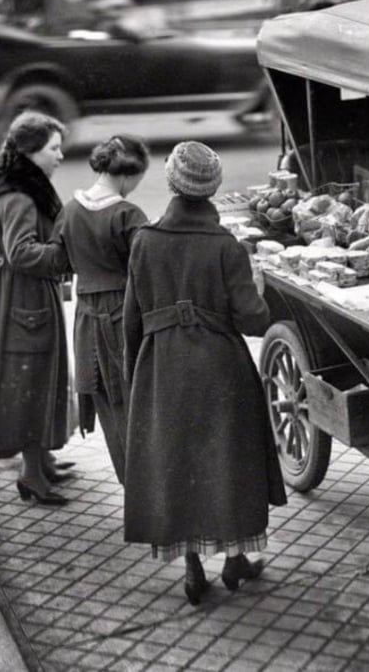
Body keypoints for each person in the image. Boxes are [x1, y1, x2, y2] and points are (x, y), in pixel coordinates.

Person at [122, 141, 287, 604]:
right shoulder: (226, 247)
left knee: (180, 466)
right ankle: (236, 559)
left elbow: (131, 320)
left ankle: (193, 567)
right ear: (211, 190)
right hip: (221, 368)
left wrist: (137, 375)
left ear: (172, 183)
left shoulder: (144, 241)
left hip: (162, 367)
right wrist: (258, 285)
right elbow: (253, 320)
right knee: (229, 462)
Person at [0, 111, 72, 506]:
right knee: (30, 381)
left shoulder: (22, 185)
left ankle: (40, 458)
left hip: (22, 297)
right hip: (23, 300)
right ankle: (31, 477)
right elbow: (20, 252)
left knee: (37, 377)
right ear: (30, 152)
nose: (61, 155)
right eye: (53, 148)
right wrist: (65, 253)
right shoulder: (22, 196)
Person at [56, 135, 149, 484]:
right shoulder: (128, 214)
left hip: (85, 318)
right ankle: (146, 486)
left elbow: (61, 260)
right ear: (128, 173)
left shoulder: (69, 210)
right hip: (123, 313)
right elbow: (146, 269)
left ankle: (129, 480)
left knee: (107, 402)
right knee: (135, 398)